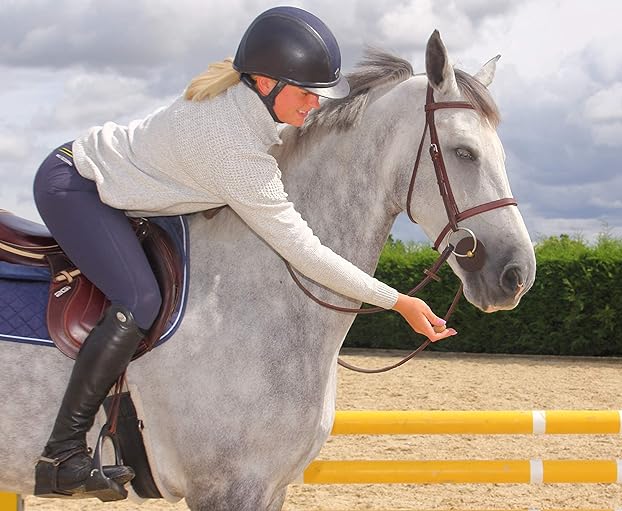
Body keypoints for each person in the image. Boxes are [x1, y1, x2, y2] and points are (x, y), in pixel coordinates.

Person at [32, 5, 457, 498]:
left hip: (134, 194)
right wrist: (397, 300)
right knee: (140, 299)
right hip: (75, 187)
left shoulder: (248, 108)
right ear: (264, 82)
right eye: (304, 94)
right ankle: (62, 452)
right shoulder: (230, 144)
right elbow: (306, 251)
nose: (313, 106)